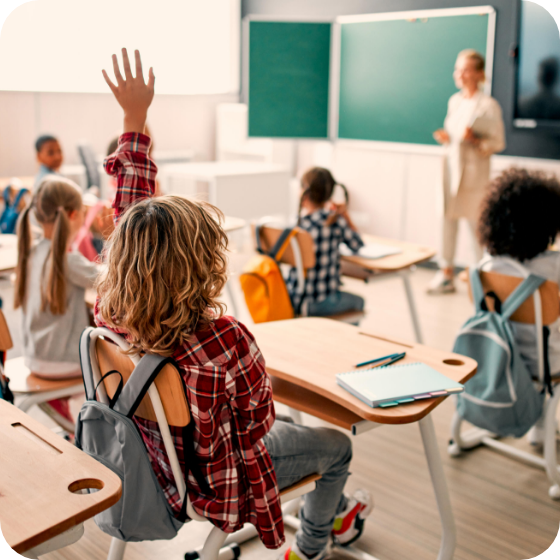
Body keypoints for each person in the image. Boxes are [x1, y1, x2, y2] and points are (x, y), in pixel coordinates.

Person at [96, 49, 372, 560]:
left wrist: (134, 122)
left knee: (294, 431)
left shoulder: (111, 314)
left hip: (150, 465)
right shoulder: (225, 339)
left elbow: (132, 213)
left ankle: (326, 523)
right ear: (204, 264)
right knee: (336, 446)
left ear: (122, 259)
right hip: (216, 483)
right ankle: (311, 548)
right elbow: (259, 424)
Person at [477, 167, 560, 444]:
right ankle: (542, 428)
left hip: (496, 351)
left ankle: (538, 424)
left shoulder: (488, 262)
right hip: (545, 362)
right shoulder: (553, 267)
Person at [14, 176, 102, 424]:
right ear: (74, 215)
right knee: (114, 359)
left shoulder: (30, 252)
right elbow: (109, 281)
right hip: (63, 364)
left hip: (33, 358)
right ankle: (80, 414)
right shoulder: (68, 260)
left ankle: (66, 404)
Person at [429, 49, 506, 294]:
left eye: (465, 69)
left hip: (473, 175)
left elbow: (498, 143)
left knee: (476, 227)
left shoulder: (488, 105)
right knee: (447, 221)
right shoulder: (455, 101)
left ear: (479, 74)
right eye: (457, 69)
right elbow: (454, 136)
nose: (459, 74)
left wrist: (474, 140)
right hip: (451, 170)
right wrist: (447, 138)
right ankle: (446, 273)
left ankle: (482, 278)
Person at [286, 167, 365, 319]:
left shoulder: (296, 225)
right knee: (359, 302)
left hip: (295, 299)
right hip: (322, 303)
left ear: (304, 193)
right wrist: (345, 215)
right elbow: (358, 244)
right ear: (330, 194)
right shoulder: (334, 221)